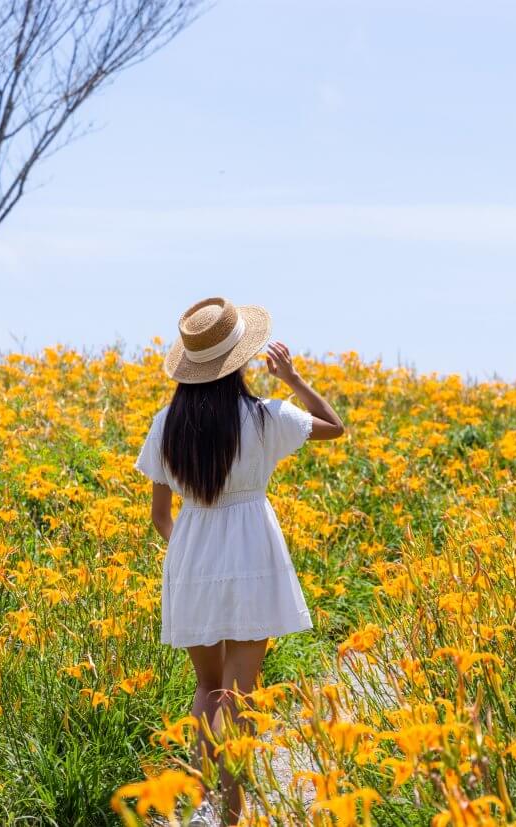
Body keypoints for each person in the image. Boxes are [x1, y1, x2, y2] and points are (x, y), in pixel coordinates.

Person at [135, 297, 345, 825]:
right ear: (241, 361)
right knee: (239, 693)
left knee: (207, 688)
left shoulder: (166, 425)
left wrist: (190, 556)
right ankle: (232, 814)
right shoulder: (265, 417)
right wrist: (293, 378)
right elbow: (334, 426)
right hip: (253, 553)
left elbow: (161, 517)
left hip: (192, 558)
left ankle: (199, 806)